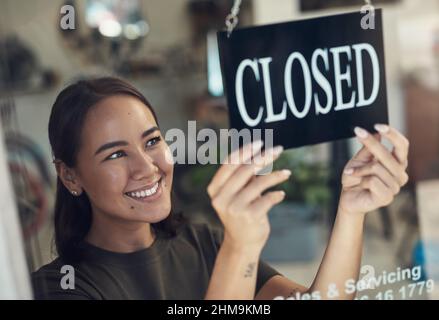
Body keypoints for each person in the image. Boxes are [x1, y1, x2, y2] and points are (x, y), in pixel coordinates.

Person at [32, 77, 409, 300]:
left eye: (152, 142)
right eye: (115, 154)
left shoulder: (200, 243)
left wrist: (352, 210)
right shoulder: (60, 288)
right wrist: (240, 248)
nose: (147, 168)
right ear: (70, 177)